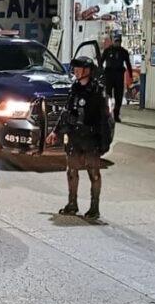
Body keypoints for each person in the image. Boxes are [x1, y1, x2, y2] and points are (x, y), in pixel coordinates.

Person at [46, 56, 112, 220]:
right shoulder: (74, 88)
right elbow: (66, 112)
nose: (75, 71)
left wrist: (104, 142)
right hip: (74, 136)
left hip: (91, 138)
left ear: (87, 70)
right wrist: (55, 132)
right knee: (71, 170)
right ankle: (72, 204)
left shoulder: (98, 91)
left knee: (93, 172)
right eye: (75, 68)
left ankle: (94, 207)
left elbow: (105, 119)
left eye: (78, 68)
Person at [101, 31, 132, 122]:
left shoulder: (123, 52)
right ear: (113, 41)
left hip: (119, 76)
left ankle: (116, 115)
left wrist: (130, 75)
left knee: (119, 97)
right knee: (108, 96)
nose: (117, 43)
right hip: (109, 76)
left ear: (121, 41)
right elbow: (101, 62)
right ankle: (108, 114)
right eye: (116, 41)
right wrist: (100, 73)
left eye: (119, 41)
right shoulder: (107, 51)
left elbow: (128, 64)